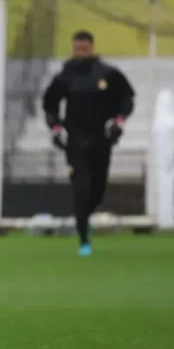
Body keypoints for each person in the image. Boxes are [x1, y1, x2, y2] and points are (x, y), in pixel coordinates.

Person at [42, 30, 135, 256]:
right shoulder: (64, 77)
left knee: (98, 189)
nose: (81, 50)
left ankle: (82, 217)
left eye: (84, 46)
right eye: (77, 46)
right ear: (73, 47)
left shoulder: (108, 74)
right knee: (81, 187)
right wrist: (56, 128)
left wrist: (119, 120)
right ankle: (84, 239)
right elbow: (50, 104)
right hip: (75, 140)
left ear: (91, 47)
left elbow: (127, 98)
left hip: (102, 138)